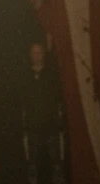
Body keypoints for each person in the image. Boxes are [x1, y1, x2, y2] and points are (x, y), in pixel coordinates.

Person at [21, 42, 64, 184]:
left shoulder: (51, 74)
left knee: (56, 162)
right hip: (32, 124)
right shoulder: (25, 76)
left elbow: (57, 97)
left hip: (51, 123)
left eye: (39, 52)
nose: (37, 55)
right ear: (30, 55)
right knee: (32, 163)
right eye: (34, 52)